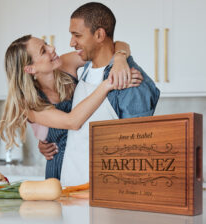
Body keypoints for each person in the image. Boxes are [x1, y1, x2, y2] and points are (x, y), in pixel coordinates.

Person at [38, 2, 160, 186]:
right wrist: (48, 140)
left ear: (99, 34)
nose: (71, 42)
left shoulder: (130, 80)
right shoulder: (85, 68)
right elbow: (77, 125)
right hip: (71, 188)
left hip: (105, 195)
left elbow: (138, 152)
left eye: (77, 35)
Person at [0, 35, 142, 179]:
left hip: (93, 158)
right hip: (61, 169)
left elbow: (110, 47)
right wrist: (108, 84)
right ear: (30, 69)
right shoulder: (29, 104)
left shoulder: (65, 63)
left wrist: (119, 59)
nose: (52, 48)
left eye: (47, 44)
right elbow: (72, 122)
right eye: (43, 50)